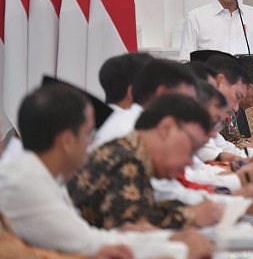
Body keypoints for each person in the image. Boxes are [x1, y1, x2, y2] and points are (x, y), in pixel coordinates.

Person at [0, 84, 212, 258]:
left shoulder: (38, 174)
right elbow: (87, 244)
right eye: (88, 133)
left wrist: (162, 240)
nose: (92, 143)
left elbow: (88, 238)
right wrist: (177, 248)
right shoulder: (27, 181)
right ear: (66, 141)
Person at [68, 94, 224, 230]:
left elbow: (142, 211)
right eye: (192, 147)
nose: (190, 161)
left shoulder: (132, 153)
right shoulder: (126, 161)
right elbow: (130, 229)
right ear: (166, 128)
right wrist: (190, 216)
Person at [91, 59, 199, 150]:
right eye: (186, 101)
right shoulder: (134, 131)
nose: (191, 109)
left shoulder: (139, 124)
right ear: (162, 93)